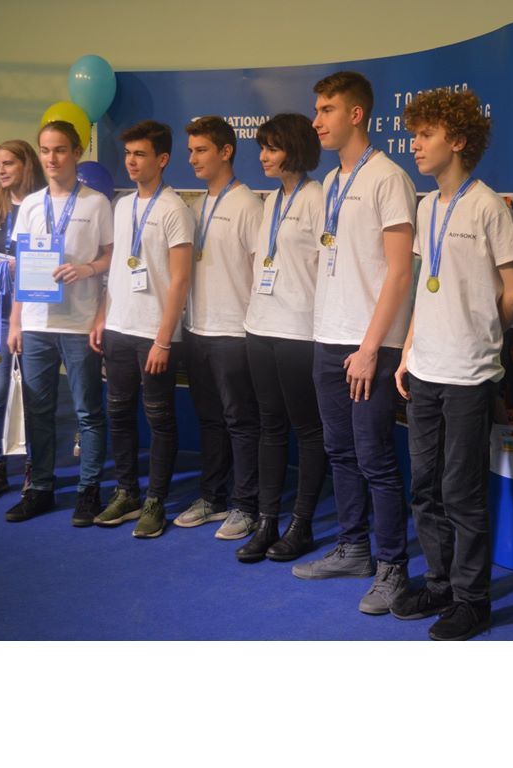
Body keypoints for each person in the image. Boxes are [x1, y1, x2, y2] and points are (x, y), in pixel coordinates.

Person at [391, 89, 513, 640]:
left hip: (470, 374)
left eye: (426, 135)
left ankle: (473, 600)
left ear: (459, 141)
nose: (415, 145)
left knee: (462, 492)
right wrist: (408, 350)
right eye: (414, 134)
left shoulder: (489, 206)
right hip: (425, 369)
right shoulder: (426, 206)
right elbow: (427, 284)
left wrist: (483, 332)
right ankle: (440, 584)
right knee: (424, 487)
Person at [292, 72, 417, 617]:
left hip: (371, 345)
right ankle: (353, 549)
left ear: (356, 114)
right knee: (339, 451)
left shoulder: (388, 178)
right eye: (317, 110)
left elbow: (399, 273)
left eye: (326, 110)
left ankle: (393, 567)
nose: (316, 121)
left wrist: (370, 348)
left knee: (375, 458)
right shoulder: (330, 183)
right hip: (328, 338)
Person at [4, 120, 113, 526]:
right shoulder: (31, 204)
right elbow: (21, 266)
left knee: (87, 411)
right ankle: (40, 488)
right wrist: (15, 322)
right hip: (36, 323)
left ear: (76, 153)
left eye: (61, 150)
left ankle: (89, 490)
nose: (52, 158)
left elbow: (111, 258)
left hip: (80, 322)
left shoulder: (96, 203)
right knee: (38, 410)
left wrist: (87, 269)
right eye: (46, 150)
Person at [89, 120, 194, 538]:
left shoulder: (175, 209)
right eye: (128, 154)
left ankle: (155, 501)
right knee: (118, 413)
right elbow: (117, 268)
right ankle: (127, 492)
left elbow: (181, 279)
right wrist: (102, 316)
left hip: (155, 334)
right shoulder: (121, 205)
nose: (131, 162)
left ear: (162, 159)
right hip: (118, 326)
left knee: (159, 418)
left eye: (140, 154)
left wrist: (164, 339)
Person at [236, 113, 326, 563]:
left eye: (272, 148)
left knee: (307, 429)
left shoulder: (317, 198)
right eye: (262, 148)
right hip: (260, 327)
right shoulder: (270, 200)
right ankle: (267, 520)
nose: (264, 157)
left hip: (298, 331)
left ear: (295, 149)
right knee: (270, 426)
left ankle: (301, 524)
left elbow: (327, 268)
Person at [175, 116, 263, 540]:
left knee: (241, 422)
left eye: (201, 150)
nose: (192, 159)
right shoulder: (194, 206)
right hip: (197, 328)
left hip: (234, 332)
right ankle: (212, 496)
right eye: (190, 151)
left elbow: (259, 273)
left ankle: (247, 505)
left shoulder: (248, 205)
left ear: (226, 151)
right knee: (209, 419)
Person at [0, 140, 45, 501]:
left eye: (8, 163)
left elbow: (53, 255)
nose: (0, 170)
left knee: (33, 395)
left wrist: (26, 267)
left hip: (35, 316)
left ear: (26, 165)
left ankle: (35, 467)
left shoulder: (43, 206)